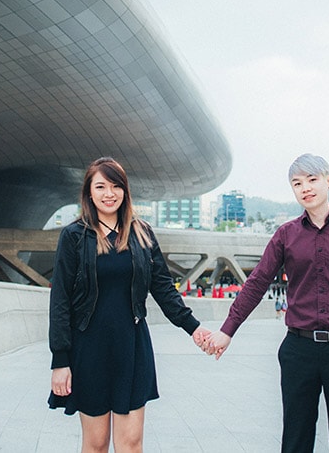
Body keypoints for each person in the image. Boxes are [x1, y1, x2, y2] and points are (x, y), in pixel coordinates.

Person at [203, 153, 329, 452]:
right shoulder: (285, 235)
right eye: (297, 183)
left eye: (312, 180)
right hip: (298, 350)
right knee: (295, 439)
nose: (306, 188)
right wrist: (227, 330)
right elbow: (257, 283)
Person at [48, 157, 211, 452]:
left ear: (125, 191)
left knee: (131, 443)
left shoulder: (141, 233)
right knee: (96, 444)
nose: (109, 193)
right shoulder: (74, 236)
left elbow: (163, 287)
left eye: (115, 186)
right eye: (101, 186)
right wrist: (60, 360)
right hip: (89, 348)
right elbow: (59, 299)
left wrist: (193, 328)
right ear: (89, 192)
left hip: (132, 346)